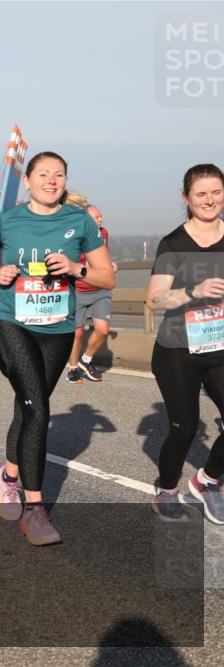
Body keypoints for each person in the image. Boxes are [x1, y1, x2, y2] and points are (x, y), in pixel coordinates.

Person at [0, 151, 114, 545]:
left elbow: (106, 277)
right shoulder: (8, 220)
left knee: (28, 406)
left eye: (59, 175)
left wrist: (75, 268)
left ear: (65, 181)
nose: (51, 181)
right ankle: (34, 511)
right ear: (29, 180)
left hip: (58, 328)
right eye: (44, 174)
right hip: (10, 322)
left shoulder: (80, 221)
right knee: (38, 408)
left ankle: (7, 477)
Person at [146, 163, 224, 524]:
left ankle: (207, 481)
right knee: (185, 427)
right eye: (201, 194)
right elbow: (154, 300)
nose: (210, 200)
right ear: (186, 197)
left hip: (220, 348)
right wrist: (194, 290)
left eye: (216, 192)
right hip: (178, 349)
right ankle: (166, 489)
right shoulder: (173, 244)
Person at [67, 202, 117, 383]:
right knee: (77, 333)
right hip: (79, 290)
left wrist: (110, 265)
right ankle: (73, 369)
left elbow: (102, 257)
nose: (100, 219)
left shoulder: (103, 233)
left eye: (101, 216)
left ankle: (85, 361)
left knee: (102, 329)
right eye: (96, 217)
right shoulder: (74, 234)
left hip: (100, 289)